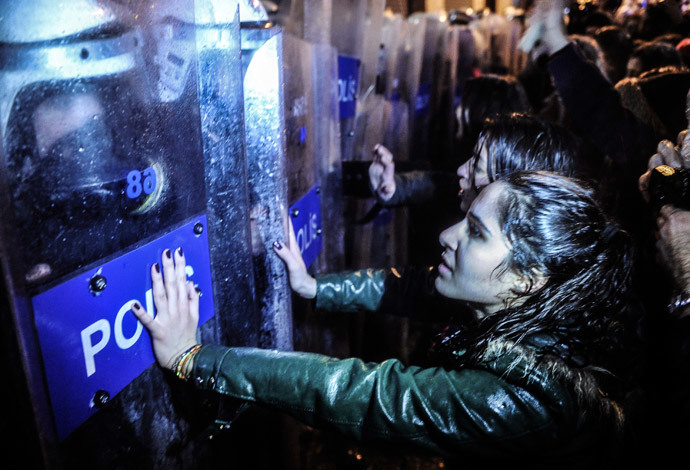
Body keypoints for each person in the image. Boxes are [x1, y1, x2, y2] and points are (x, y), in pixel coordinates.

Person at [132, 171, 637, 466]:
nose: (447, 233)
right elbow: (408, 287)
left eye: (476, 232)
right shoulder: (526, 319)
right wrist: (315, 287)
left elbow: (363, 394)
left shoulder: (529, 400)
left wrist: (192, 358)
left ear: (528, 278)